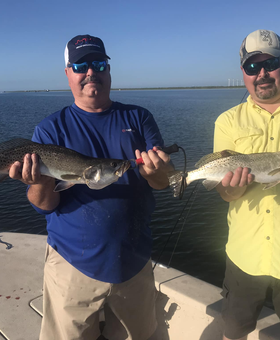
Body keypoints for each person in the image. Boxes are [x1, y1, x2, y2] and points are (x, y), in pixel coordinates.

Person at [9, 34, 174, 340]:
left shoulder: (138, 118)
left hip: (134, 260)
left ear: (108, 70)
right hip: (72, 265)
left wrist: (158, 171)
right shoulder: (50, 128)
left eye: (98, 63)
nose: (90, 72)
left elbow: (162, 182)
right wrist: (39, 182)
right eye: (80, 65)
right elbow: (44, 205)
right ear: (68, 72)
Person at [214, 29, 280, 340]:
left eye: (270, 64)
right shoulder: (227, 121)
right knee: (233, 330)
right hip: (245, 255)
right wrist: (233, 187)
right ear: (243, 72)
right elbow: (226, 194)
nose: (262, 74)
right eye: (252, 67)